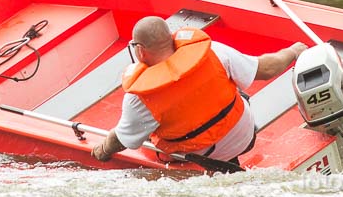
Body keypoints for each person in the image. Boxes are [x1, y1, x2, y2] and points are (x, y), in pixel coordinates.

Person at [91, 16, 307, 164]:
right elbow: (266, 68)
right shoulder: (212, 51)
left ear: (140, 51)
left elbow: (122, 140)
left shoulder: (139, 98)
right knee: (236, 90)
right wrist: (293, 51)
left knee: (146, 140)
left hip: (202, 159)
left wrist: (101, 151)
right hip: (244, 138)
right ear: (172, 37)